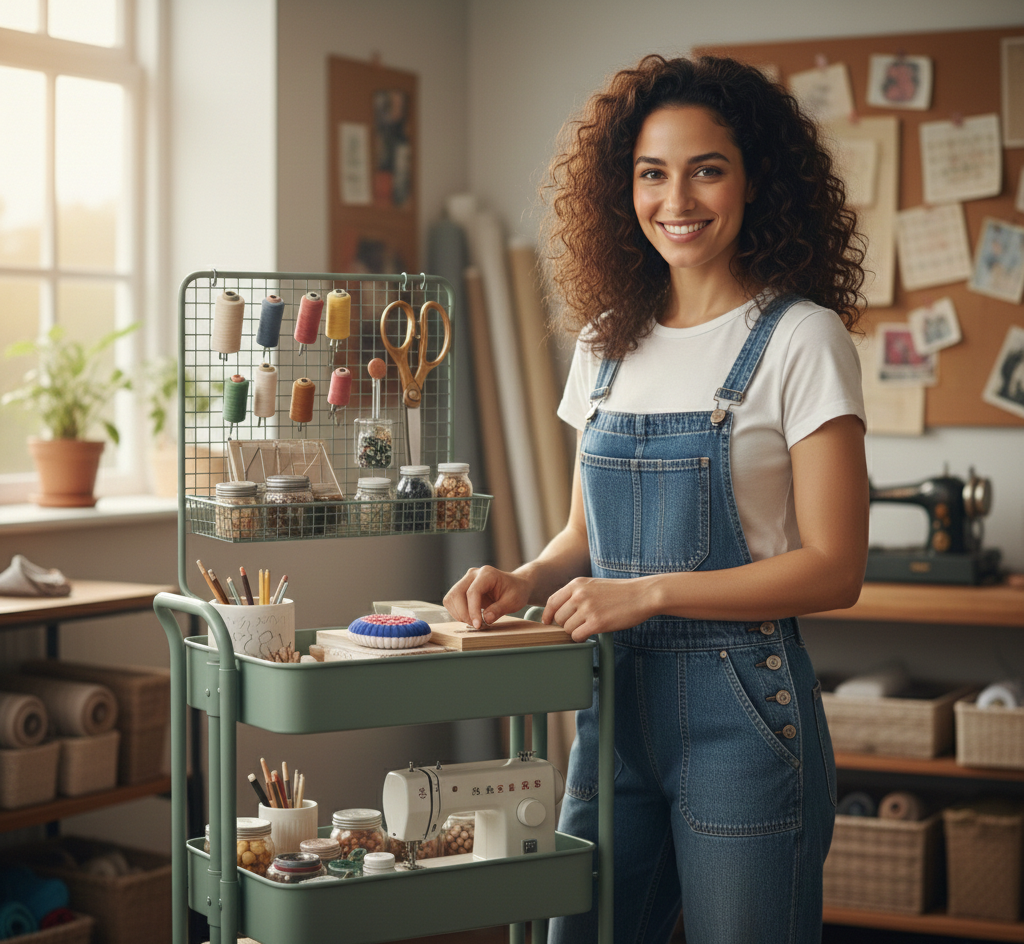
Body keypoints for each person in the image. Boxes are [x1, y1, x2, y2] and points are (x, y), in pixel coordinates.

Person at [444, 54, 869, 944]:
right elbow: (581, 536)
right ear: (621, 190)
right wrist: (522, 579)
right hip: (614, 712)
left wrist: (650, 593)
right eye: (652, 173)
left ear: (757, 180)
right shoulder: (605, 344)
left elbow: (835, 570)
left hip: (745, 723)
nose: (677, 198)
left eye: (707, 168)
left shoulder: (801, 340)